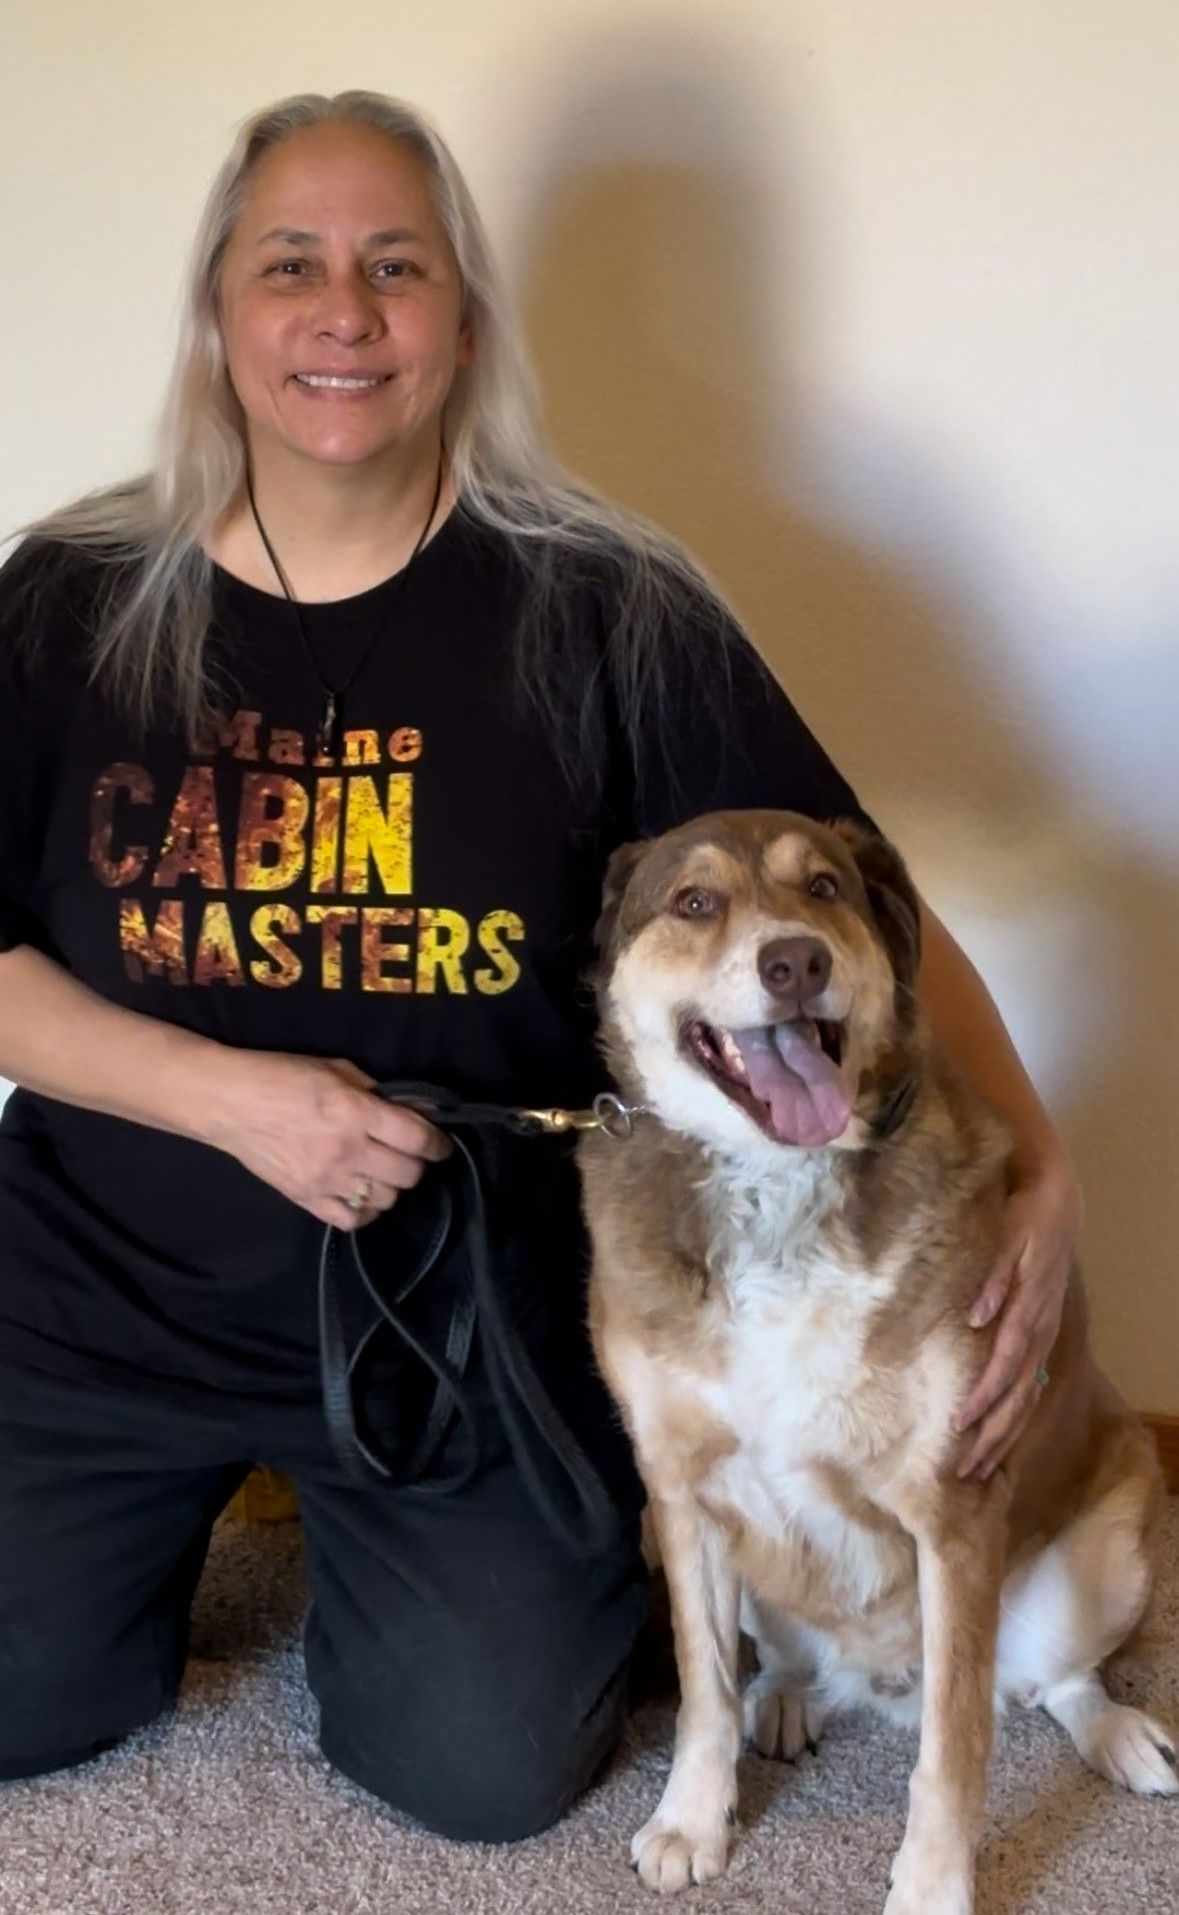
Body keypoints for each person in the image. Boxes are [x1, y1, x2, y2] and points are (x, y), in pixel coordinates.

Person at [0, 90, 1082, 1839]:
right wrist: (233, 1102)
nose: (343, 313)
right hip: (97, 1282)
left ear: (463, 323)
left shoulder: (608, 605)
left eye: (395, 267)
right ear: (218, 311)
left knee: (485, 1773)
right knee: (18, 1702)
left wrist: (1038, 1162)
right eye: (293, 264)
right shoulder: (67, 597)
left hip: (465, 1311)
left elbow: (862, 902)